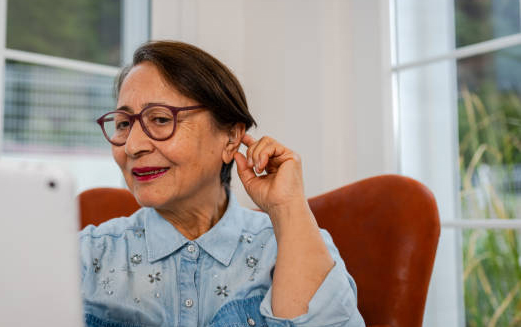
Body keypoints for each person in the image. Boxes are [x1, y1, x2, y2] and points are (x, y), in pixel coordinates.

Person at [80, 40, 366, 327]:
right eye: (123, 124)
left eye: (160, 119)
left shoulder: (289, 244)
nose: (132, 146)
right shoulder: (85, 257)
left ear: (230, 138)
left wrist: (287, 207)